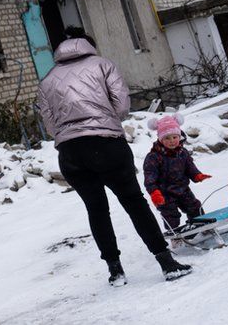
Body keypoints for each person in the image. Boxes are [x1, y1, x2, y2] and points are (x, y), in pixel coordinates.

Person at [37, 26, 192, 285]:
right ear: (89, 44)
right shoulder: (103, 65)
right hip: (106, 145)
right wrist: (102, 120)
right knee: (133, 201)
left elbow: (50, 125)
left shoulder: (48, 79)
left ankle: (115, 271)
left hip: (70, 152)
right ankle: (167, 263)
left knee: (96, 209)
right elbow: (121, 106)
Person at [143, 114, 211, 232]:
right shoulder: (153, 157)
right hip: (164, 193)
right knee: (171, 215)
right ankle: (175, 235)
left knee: (195, 207)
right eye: (167, 138)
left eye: (175, 137)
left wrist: (197, 175)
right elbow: (149, 177)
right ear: (160, 139)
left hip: (183, 189)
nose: (172, 141)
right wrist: (154, 192)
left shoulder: (182, 152)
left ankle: (202, 227)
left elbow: (190, 167)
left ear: (179, 137)